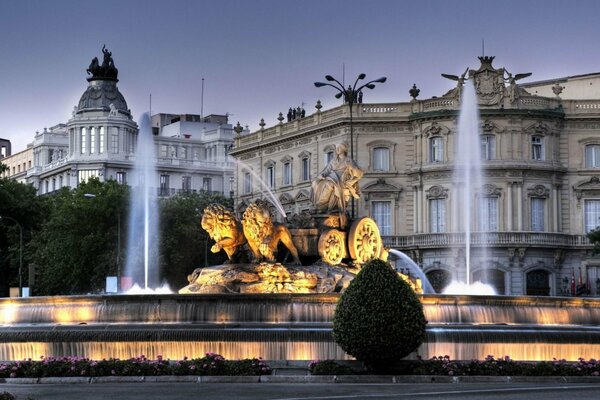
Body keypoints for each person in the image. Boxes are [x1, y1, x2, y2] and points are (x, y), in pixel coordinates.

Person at [310, 142, 364, 227]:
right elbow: (326, 171)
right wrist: (321, 176)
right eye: (337, 148)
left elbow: (359, 173)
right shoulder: (333, 161)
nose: (337, 150)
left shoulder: (348, 160)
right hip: (331, 177)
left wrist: (351, 168)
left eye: (339, 148)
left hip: (340, 181)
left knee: (329, 184)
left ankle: (320, 205)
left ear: (344, 149)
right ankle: (317, 205)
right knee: (315, 183)